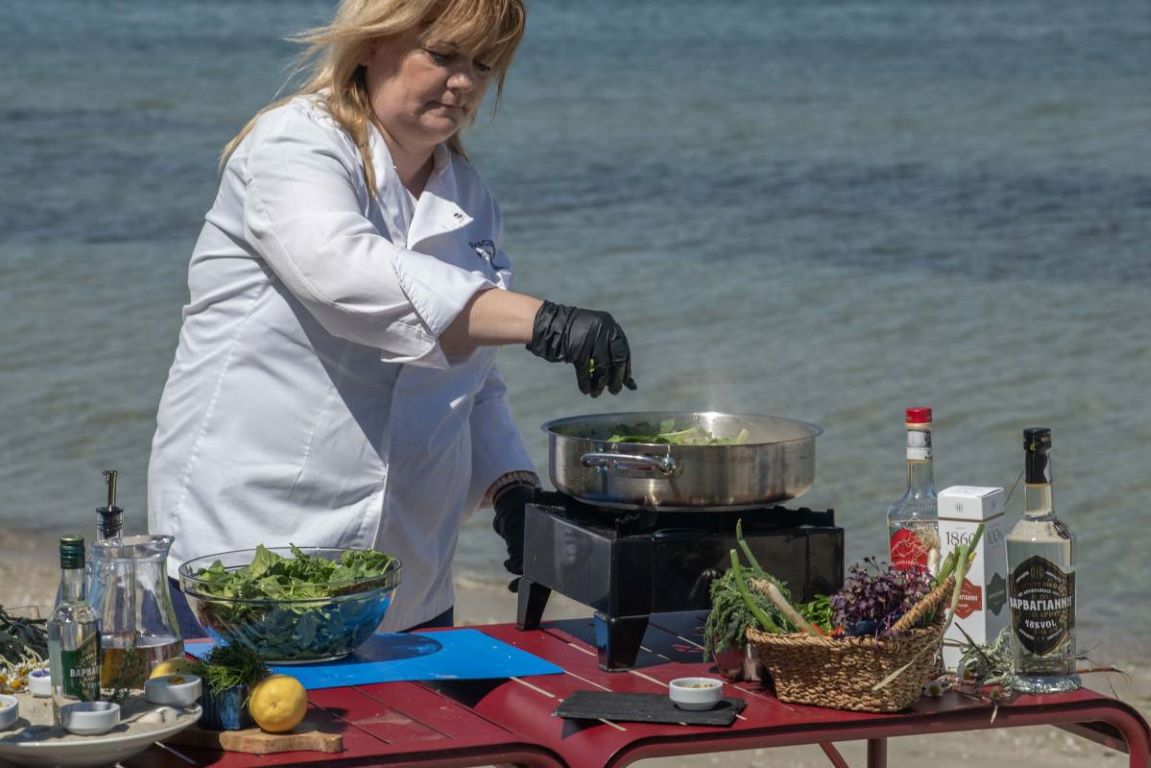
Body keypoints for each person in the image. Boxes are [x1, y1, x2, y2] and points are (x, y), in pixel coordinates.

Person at [147, 0, 636, 637]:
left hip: (410, 577)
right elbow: (343, 273)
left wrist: (512, 490)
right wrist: (546, 321)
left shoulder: (469, 195)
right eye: (442, 55)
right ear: (372, 43)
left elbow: (472, 377)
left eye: (482, 65)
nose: (463, 82)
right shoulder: (295, 143)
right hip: (250, 549)